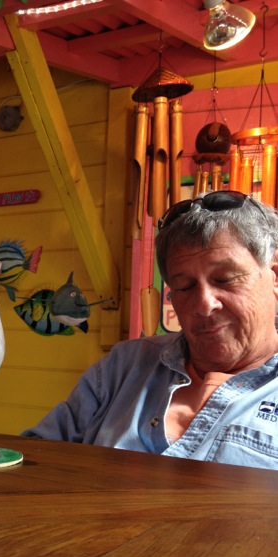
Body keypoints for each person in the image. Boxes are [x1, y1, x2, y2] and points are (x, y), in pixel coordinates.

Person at [22, 190, 278, 469]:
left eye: (225, 279)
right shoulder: (121, 367)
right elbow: (34, 459)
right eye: (184, 286)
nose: (204, 305)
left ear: (274, 277)